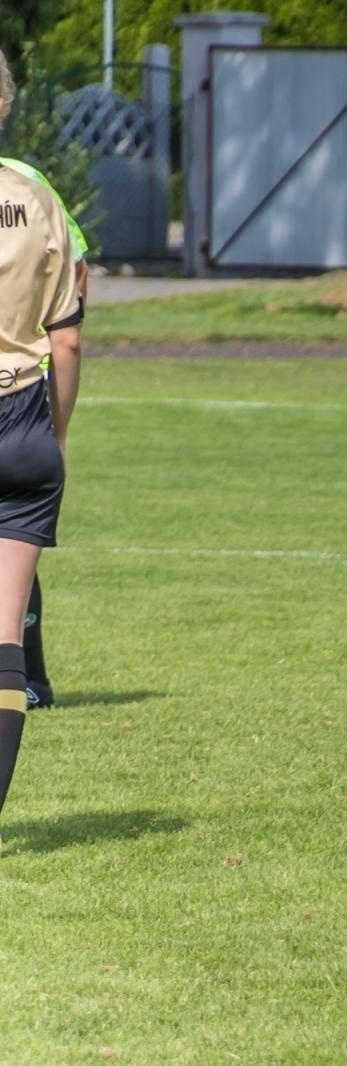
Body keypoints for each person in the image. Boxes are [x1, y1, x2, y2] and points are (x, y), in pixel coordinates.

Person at [0, 49, 84, 826]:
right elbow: (68, 339)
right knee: (6, 642)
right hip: (25, 421)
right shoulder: (36, 198)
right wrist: (53, 435)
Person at [0, 154, 90, 710]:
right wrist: (58, 432)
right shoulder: (32, 186)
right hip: (25, 403)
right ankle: (31, 678)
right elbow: (76, 284)